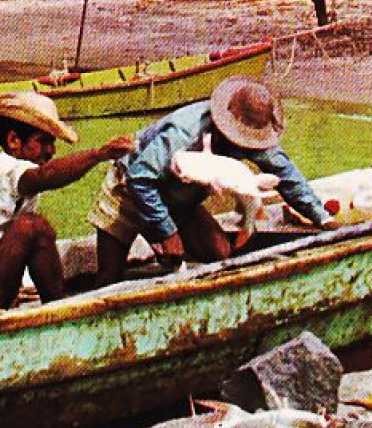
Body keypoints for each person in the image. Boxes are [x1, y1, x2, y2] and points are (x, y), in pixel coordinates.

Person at [90, 77, 333, 285]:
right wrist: (167, 231)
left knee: (221, 253)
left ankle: (171, 261)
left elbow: (287, 175)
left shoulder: (254, 135)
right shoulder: (184, 132)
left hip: (180, 199)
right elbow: (140, 178)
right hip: (129, 190)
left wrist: (322, 217)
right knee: (109, 276)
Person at [0, 94, 133, 321]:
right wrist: (99, 154)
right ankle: (61, 313)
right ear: (13, 141)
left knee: (33, 226)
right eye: (43, 141)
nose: (51, 151)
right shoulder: (3, 167)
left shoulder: (18, 178)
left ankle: (56, 304)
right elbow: (46, 176)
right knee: (34, 227)